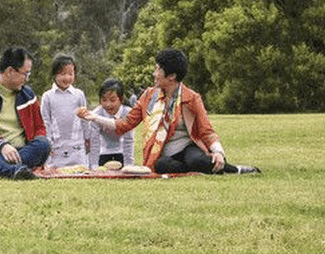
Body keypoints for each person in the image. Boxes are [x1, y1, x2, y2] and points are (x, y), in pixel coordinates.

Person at [77, 49, 260, 174]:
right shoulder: (148, 96)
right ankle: (196, 171)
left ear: (171, 76)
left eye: (158, 69)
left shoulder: (191, 98)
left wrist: (218, 152)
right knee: (162, 165)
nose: (154, 73)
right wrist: (95, 117)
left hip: (187, 147)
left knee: (195, 160)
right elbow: (125, 124)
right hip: (164, 153)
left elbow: (206, 130)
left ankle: (236, 170)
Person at [0, 47, 51, 179]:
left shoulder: (28, 95)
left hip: (23, 152)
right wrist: (2, 145)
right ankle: (14, 171)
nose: (27, 79)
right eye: (25, 74)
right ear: (10, 71)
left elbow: (40, 127)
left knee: (43, 143)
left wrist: (39, 140)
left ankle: (7, 170)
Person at [40, 54, 90, 168]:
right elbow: (45, 121)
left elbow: (85, 118)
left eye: (70, 74)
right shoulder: (48, 96)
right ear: (54, 75)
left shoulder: (79, 95)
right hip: (56, 146)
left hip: (77, 146)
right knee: (56, 171)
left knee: (79, 170)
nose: (67, 77)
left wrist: (88, 137)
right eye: (63, 74)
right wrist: (48, 143)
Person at [87, 78, 135, 168]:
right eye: (104, 100)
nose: (108, 105)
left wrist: (129, 165)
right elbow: (94, 143)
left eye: (112, 100)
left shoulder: (127, 113)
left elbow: (128, 141)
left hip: (121, 153)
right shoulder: (96, 114)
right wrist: (93, 166)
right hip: (103, 153)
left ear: (121, 100)